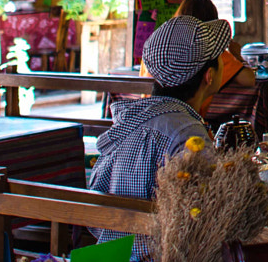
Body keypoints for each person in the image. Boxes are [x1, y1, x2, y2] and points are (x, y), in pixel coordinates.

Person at [88, 15, 232, 209]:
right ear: (210, 75)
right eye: (221, 56)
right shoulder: (188, 134)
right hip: (156, 240)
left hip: (114, 240)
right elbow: (204, 212)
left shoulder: (128, 121)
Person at [177, 0, 256, 93]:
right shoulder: (214, 53)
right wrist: (237, 55)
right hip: (199, 108)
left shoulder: (167, 53)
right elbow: (249, 79)